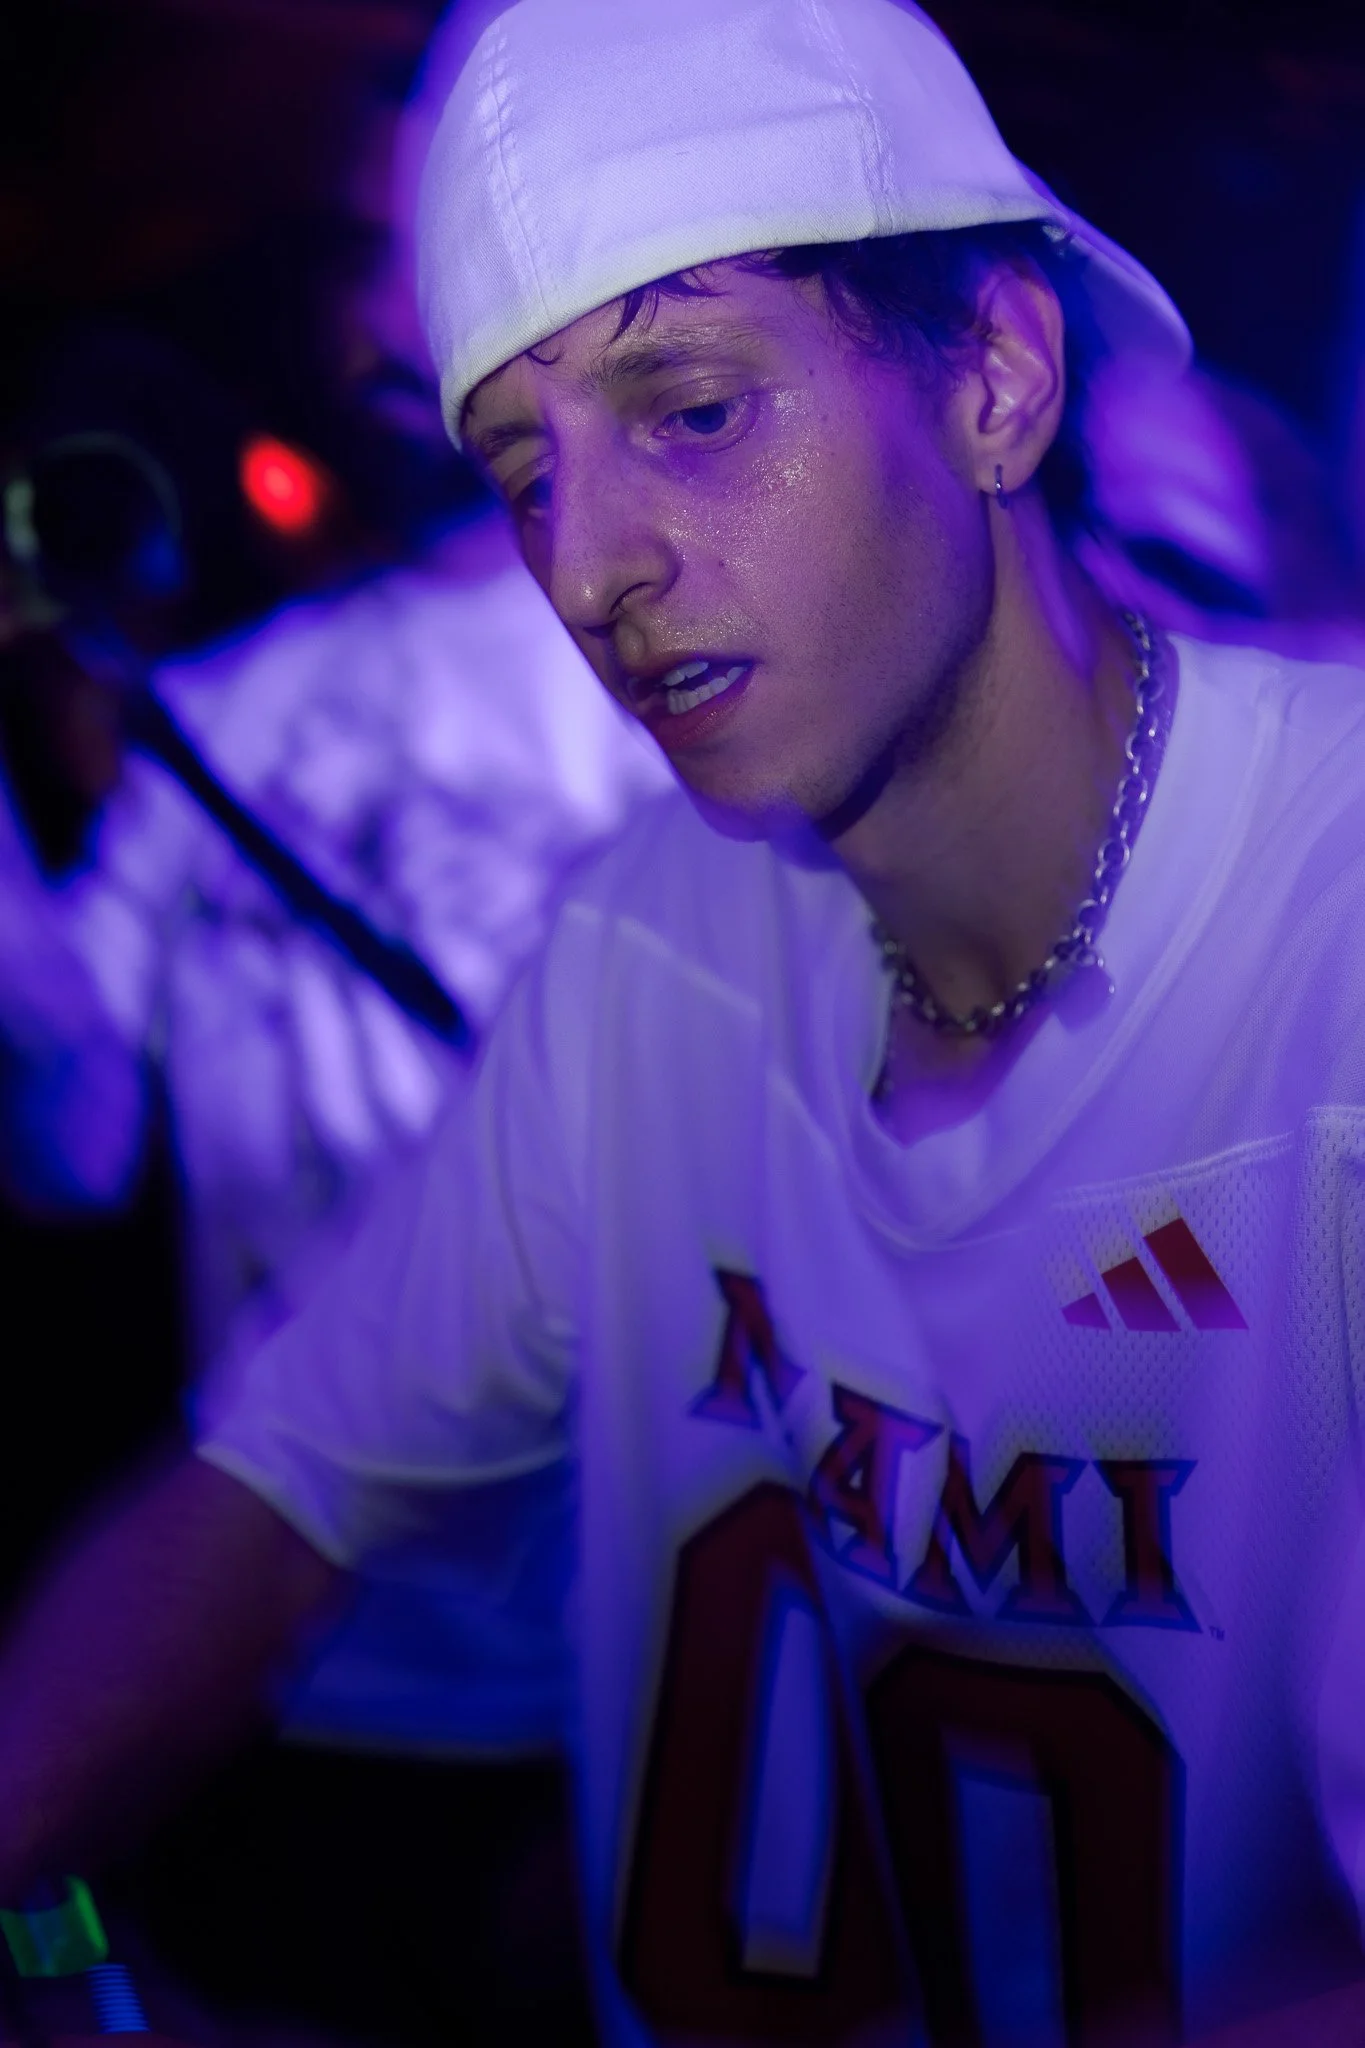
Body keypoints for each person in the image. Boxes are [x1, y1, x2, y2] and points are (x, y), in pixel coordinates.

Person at [6, 2, 1365, 2042]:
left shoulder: (1331, 938)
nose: (591, 560)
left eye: (693, 407)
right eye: (522, 462)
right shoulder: (650, 950)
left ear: (996, 376)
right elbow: (270, 1499)